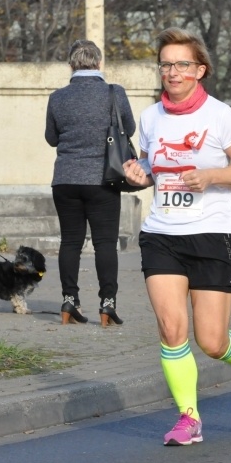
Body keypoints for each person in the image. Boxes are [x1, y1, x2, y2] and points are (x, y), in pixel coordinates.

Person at [122, 27, 231, 446]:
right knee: (171, 328)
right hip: (162, 234)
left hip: (212, 234)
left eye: (182, 64)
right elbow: (150, 170)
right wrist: (137, 175)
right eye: (166, 64)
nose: (173, 72)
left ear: (199, 70)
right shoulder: (150, 118)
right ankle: (189, 417)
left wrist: (211, 175)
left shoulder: (220, 115)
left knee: (211, 341)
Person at [45, 40, 135, 326]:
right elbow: (129, 129)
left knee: (70, 241)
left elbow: (52, 138)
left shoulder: (58, 97)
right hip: (103, 180)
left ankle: (69, 301)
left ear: (71, 64)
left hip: (65, 181)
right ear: (99, 63)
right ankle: (107, 304)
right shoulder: (114, 93)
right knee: (105, 243)